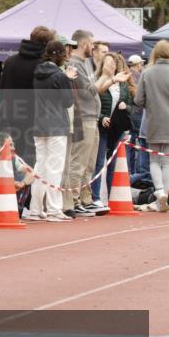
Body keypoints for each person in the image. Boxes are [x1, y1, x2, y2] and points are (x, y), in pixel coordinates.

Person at [27, 40, 77, 222]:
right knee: (54, 167)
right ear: (60, 56)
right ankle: (54, 209)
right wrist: (69, 80)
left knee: (40, 166)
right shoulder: (60, 76)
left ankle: (35, 208)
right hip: (56, 124)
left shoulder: (37, 73)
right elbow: (68, 102)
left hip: (39, 124)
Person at [0, 26, 55, 163]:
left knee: (11, 161)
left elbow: (2, 91)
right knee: (32, 163)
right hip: (35, 122)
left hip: (10, 119)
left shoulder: (10, 62)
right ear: (47, 45)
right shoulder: (44, 65)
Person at [66, 30, 102, 217]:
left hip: (92, 117)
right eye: (91, 42)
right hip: (83, 117)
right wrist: (107, 77)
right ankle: (73, 199)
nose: (93, 46)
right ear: (82, 44)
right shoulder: (74, 64)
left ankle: (85, 198)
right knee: (79, 161)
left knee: (89, 163)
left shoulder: (86, 63)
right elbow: (87, 92)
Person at [93, 52, 134, 203]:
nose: (111, 66)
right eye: (108, 63)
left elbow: (131, 104)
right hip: (101, 128)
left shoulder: (122, 83)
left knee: (114, 163)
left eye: (113, 63)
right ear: (102, 65)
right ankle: (95, 197)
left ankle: (113, 196)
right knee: (98, 163)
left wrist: (126, 107)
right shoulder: (97, 81)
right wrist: (101, 117)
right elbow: (91, 104)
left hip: (117, 128)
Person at [135, 40, 169, 213]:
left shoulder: (147, 73)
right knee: (167, 160)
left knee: (154, 159)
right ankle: (165, 195)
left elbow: (138, 101)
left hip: (153, 121)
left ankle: (160, 192)